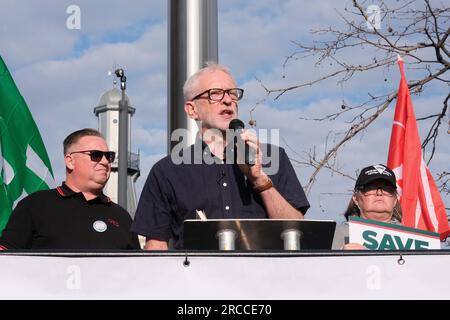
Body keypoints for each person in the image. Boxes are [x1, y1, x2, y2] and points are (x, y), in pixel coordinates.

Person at [132, 63, 310, 250]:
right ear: (192, 110)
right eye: (215, 93)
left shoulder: (272, 157)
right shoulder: (167, 171)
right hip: (196, 277)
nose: (227, 100)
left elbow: (297, 232)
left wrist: (259, 179)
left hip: (262, 276)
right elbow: (156, 246)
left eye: (232, 93)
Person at [0, 128, 140, 250]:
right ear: (70, 161)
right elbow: (7, 258)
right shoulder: (35, 205)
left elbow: (137, 272)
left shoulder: (122, 217)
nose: (104, 162)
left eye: (109, 156)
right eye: (95, 155)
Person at [332, 164, 402, 250]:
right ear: (356, 199)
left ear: (395, 200)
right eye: (371, 188)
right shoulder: (334, 235)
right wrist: (340, 256)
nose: (379, 193)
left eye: (387, 188)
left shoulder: (414, 240)